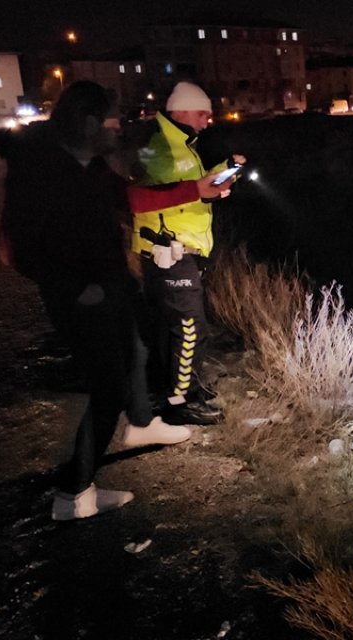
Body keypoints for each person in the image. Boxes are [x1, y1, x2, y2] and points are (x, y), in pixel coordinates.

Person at [0, 81, 195, 521]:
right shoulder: (41, 171)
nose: (120, 128)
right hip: (81, 299)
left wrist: (197, 190)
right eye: (113, 120)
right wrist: (73, 288)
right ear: (88, 123)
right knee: (110, 389)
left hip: (111, 284)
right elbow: (15, 248)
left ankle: (140, 426)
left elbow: (131, 199)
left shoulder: (91, 166)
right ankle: (74, 492)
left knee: (137, 351)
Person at [128, 81, 244, 426]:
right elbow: (150, 194)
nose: (208, 120)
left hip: (178, 250)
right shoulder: (160, 145)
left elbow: (183, 189)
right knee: (190, 326)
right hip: (168, 251)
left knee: (174, 327)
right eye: (201, 113)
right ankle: (181, 402)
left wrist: (217, 176)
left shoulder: (181, 144)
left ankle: (181, 388)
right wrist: (201, 191)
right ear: (180, 111)